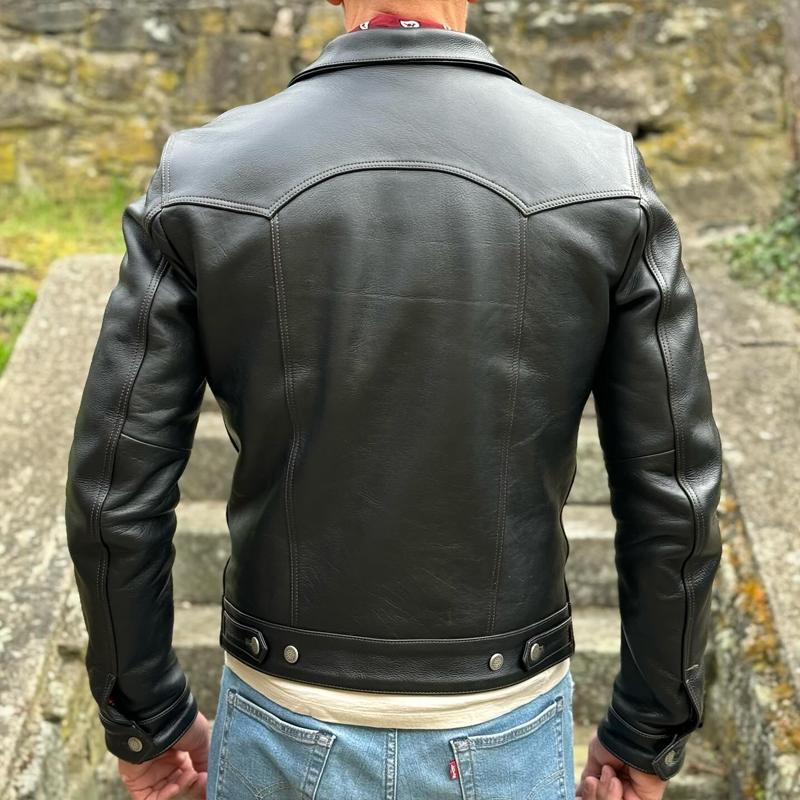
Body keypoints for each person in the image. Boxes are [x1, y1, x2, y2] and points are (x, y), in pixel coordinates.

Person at [63, 0, 724, 798]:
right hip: (504, 719)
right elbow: (674, 497)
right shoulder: (601, 173)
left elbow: (114, 496)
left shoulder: (202, 174)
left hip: (282, 713)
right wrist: (647, 733)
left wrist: (147, 716)